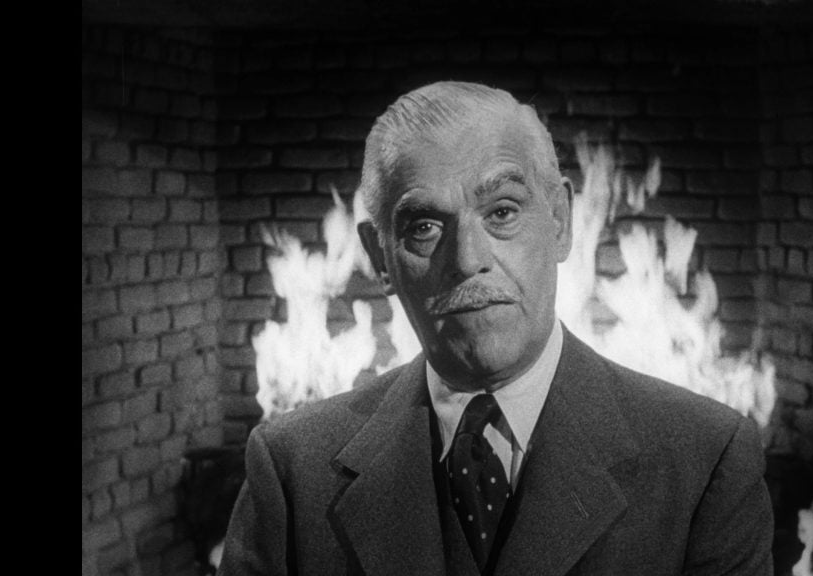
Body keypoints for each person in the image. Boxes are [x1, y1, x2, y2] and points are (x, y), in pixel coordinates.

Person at [218, 81, 773, 576]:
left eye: (502, 212)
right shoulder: (292, 470)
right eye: (425, 226)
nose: (467, 259)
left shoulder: (706, 461)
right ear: (380, 257)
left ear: (560, 222)